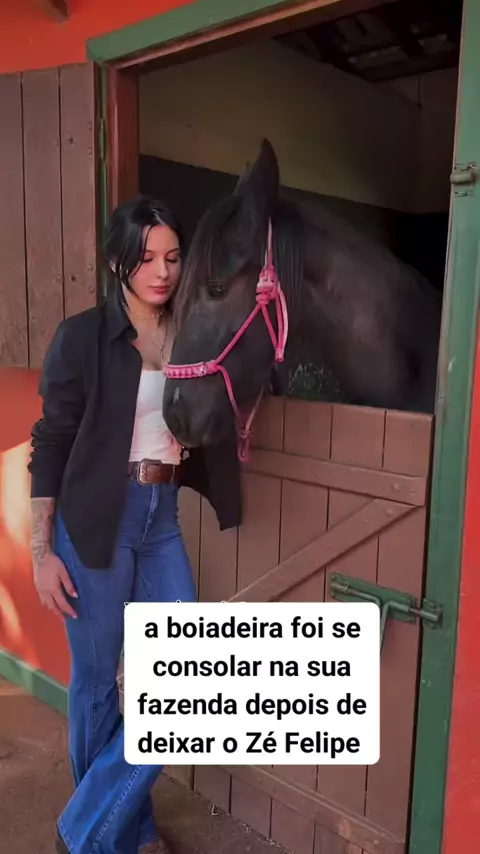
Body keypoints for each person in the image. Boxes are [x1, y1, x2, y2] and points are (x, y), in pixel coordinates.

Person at [27, 196, 242, 854]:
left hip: (161, 517)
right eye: (146, 257)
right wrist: (41, 550)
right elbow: (50, 443)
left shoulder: (194, 332)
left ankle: (85, 830)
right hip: (96, 521)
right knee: (96, 684)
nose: (162, 271)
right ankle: (125, 829)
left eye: (173, 257)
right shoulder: (82, 338)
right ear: (118, 260)